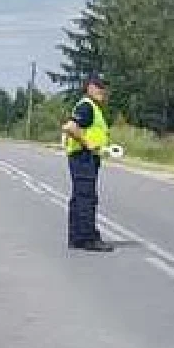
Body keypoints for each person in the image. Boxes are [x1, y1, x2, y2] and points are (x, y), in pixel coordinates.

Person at [62, 75, 113, 252]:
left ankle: (76, 237)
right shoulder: (86, 106)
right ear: (89, 88)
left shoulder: (92, 108)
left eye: (104, 87)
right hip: (83, 157)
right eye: (98, 86)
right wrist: (87, 143)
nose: (102, 90)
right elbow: (69, 127)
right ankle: (88, 238)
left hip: (83, 156)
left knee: (79, 197)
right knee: (86, 198)